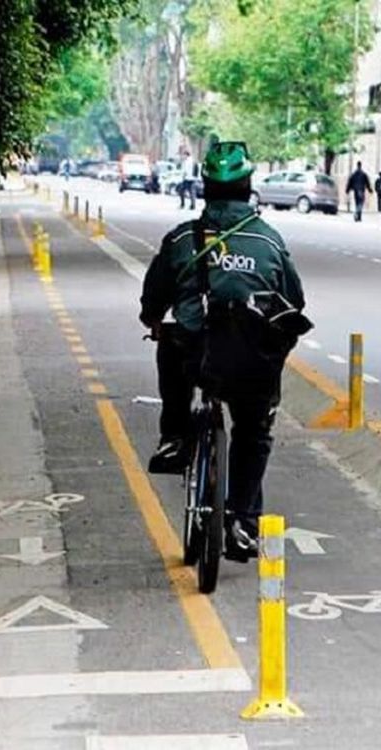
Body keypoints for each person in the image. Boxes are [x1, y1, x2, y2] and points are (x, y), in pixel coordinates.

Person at [139, 140, 310, 561]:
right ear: (248, 186)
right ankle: (243, 522)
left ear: (205, 188)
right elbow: (294, 302)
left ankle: (175, 437)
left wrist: (153, 320)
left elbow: (152, 300)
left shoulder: (182, 238)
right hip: (252, 361)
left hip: (194, 355)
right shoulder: (269, 241)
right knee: (253, 432)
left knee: (170, 346)